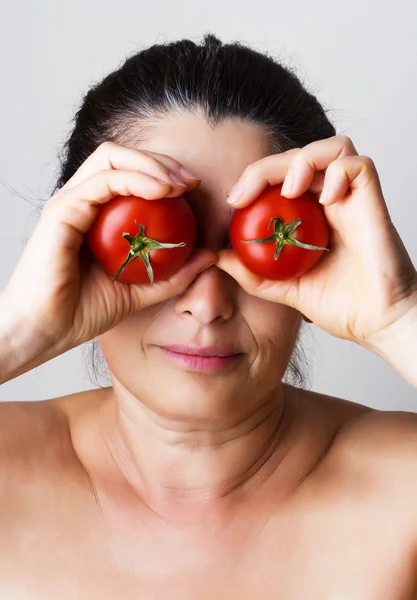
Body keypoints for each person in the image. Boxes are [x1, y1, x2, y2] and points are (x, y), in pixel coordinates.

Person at [1, 33, 417, 599]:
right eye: (148, 241)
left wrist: (399, 317)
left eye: (261, 249)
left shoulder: (403, 487)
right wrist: (17, 331)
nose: (209, 304)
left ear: (330, 252)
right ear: (76, 248)